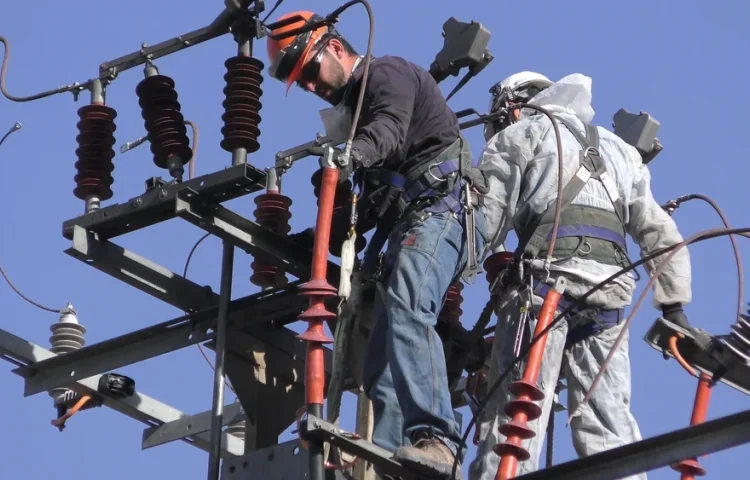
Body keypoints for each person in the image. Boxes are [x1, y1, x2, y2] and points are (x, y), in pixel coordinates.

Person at [266, 11, 489, 479]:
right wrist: (314, 241)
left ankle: (437, 439)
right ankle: (387, 459)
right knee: (380, 358)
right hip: (411, 219)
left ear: (335, 47)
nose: (308, 86)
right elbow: (372, 208)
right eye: (297, 80)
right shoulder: (356, 113)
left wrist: (352, 156)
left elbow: (386, 132)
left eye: (307, 70)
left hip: (441, 212)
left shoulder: (385, 74)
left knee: (409, 311)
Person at [468, 72, 693, 479]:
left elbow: (484, 222)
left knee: (515, 415)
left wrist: (457, 269)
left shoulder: (519, 136)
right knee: (608, 426)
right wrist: (673, 306)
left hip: (544, 291)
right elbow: (660, 232)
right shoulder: (620, 150)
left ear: (513, 108)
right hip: (608, 302)